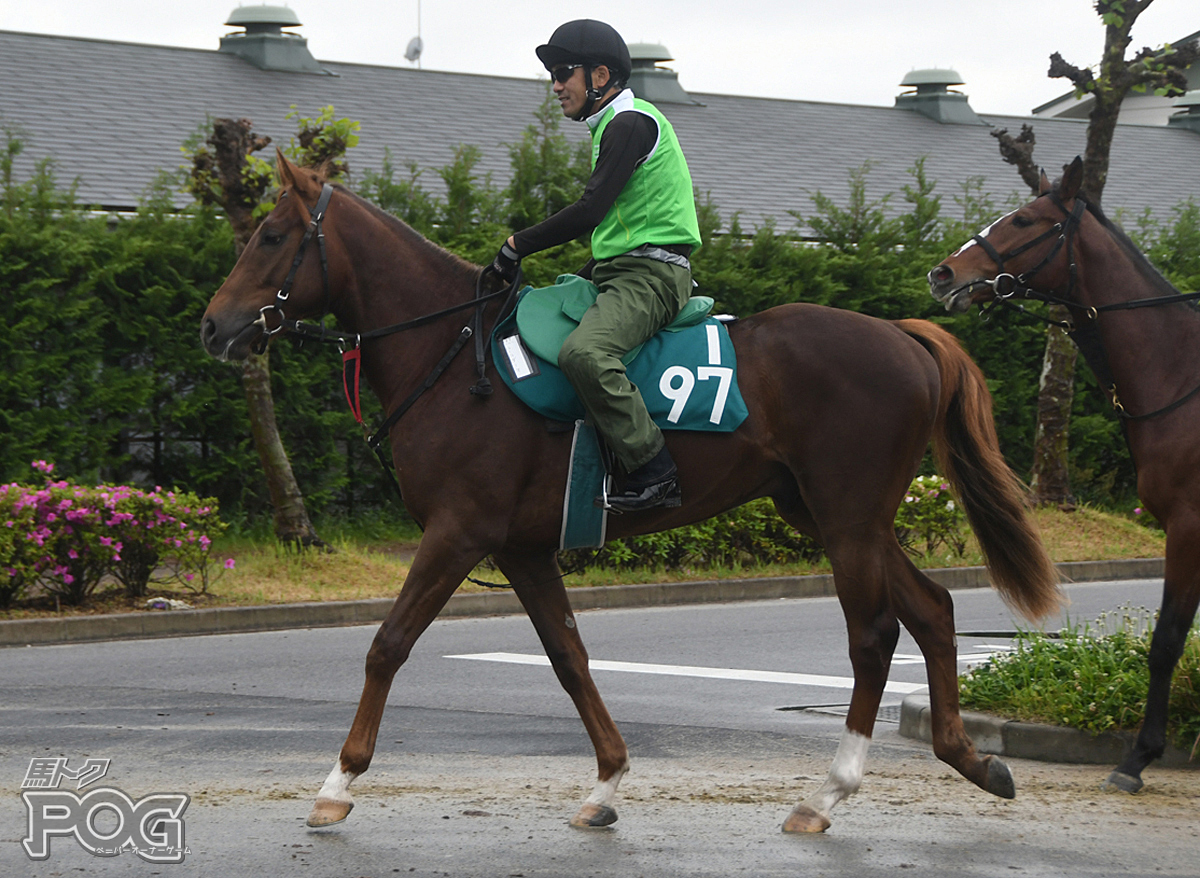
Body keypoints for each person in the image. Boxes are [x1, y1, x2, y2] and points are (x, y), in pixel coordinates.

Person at [492, 19, 702, 513]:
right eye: (553, 76)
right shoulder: (614, 124)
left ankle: (654, 470)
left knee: (584, 354)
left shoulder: (629, 123)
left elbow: (589, 211)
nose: (557, 86)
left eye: (564, 73)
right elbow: (619, 229)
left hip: (653, 279)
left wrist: (515, 245)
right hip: (620, 273)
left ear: (601, 76)